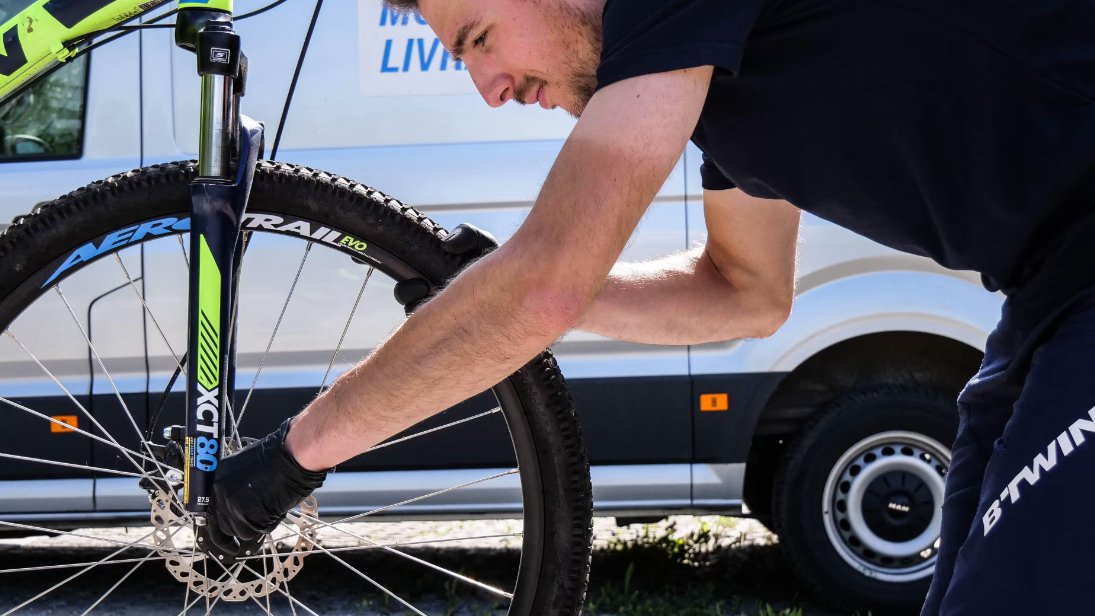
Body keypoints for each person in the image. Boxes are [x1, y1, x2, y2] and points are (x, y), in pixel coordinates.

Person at [209, 0, 1095, 613]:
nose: (488, 86)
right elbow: (742, 293)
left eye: (478, 39)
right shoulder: (723, 78)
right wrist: (486, 291)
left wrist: (291, 461)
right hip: (1048, 298)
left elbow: (545, 281)